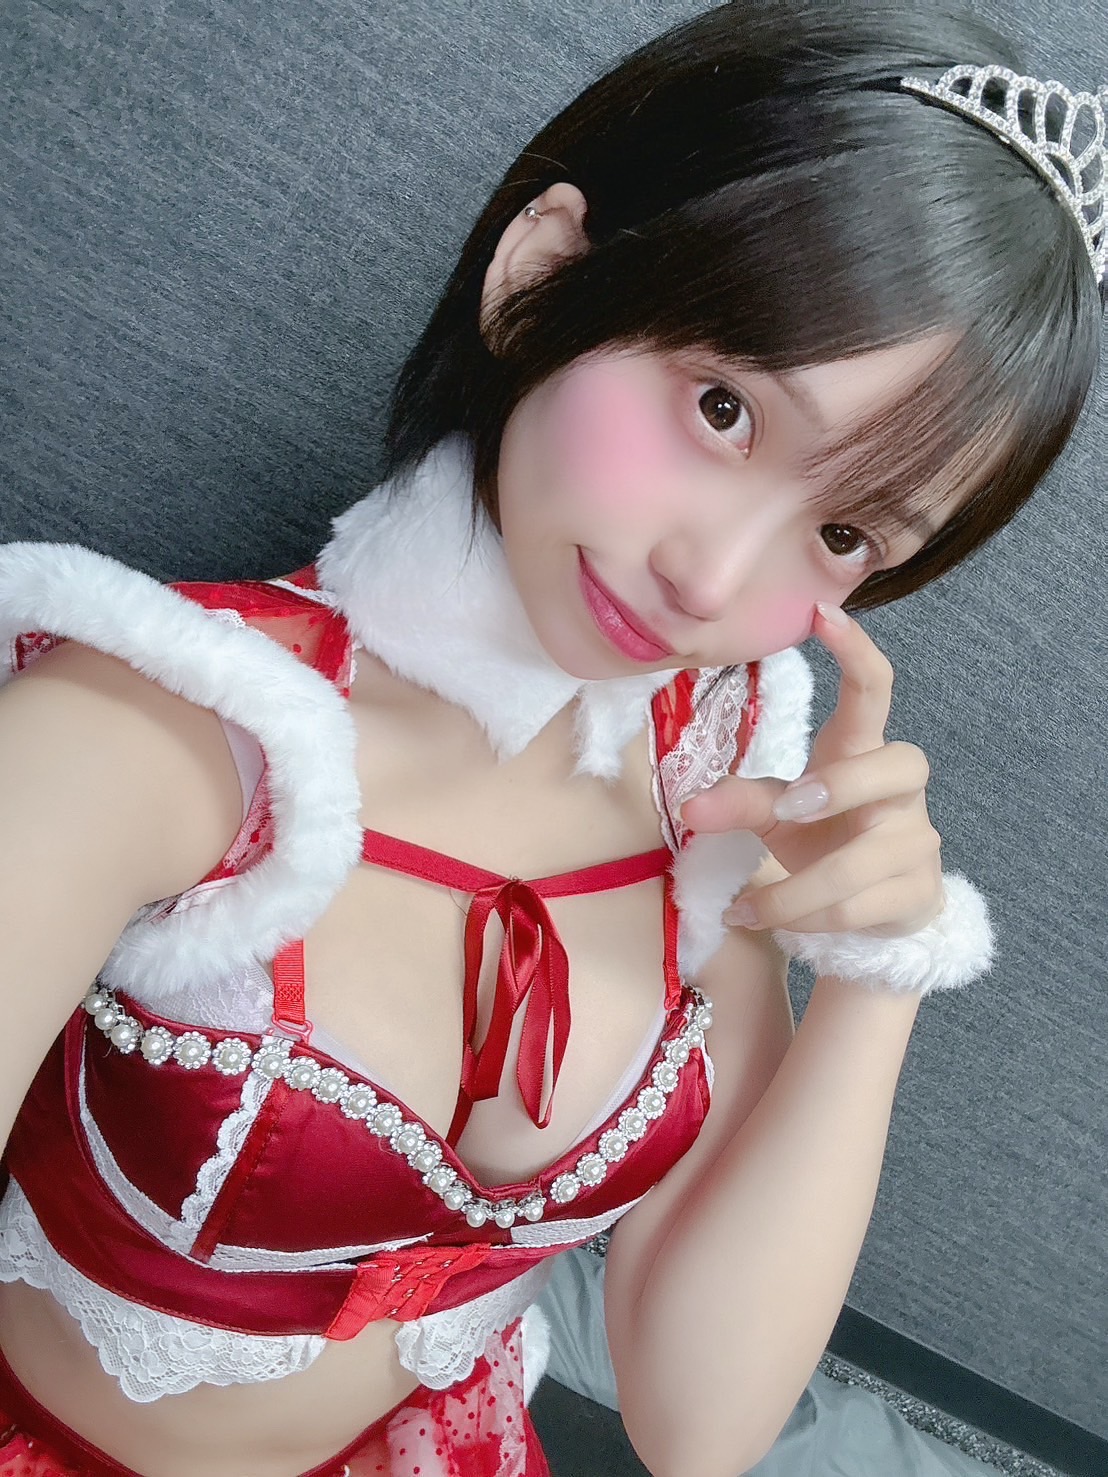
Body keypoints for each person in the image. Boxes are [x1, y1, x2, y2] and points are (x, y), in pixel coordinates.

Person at [0, 1, 1103, 1473]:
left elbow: (697, 1423)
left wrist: (879, 971)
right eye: (724, 409)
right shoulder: (156, 736)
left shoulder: (710, 787)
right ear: (541, 277)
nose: (712, 581)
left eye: (844, 532)